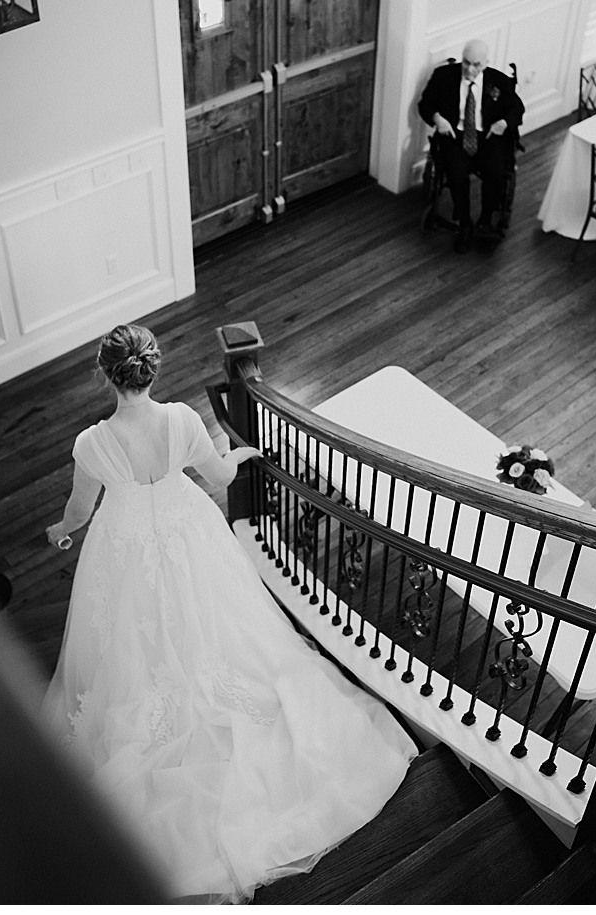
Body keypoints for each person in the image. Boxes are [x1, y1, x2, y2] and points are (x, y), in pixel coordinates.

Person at [40, 324, 416, 902]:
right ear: (152, 370)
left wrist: (62, 533)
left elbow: (79, 508)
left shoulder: (92, 444)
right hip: (189, 534)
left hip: (125, 547)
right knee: (217, 620)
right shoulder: (184, 422)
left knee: (130, 638)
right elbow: (217, 476)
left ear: (104, 374)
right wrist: (237, 454)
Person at [417, 39, 525, 252]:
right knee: (456, 174)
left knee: (496, 171)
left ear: (485, 64)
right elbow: (425, 104)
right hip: (455, 135)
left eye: (476, 64)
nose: (470, 69)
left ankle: (485, 220)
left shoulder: (499, 81)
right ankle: (464, 222)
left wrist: (504, 123)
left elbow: (517, 109)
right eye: (466, 62)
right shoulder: (444, 76)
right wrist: (437, 118)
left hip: (488, 136)